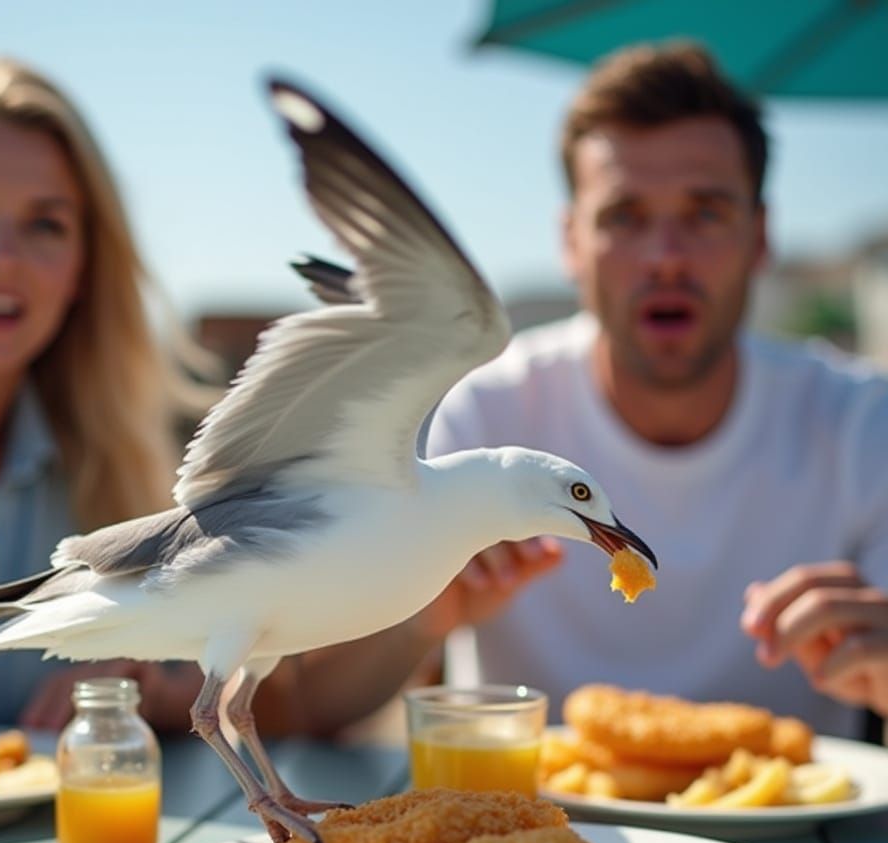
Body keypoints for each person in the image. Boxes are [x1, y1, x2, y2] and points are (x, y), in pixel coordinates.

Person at [267, 41, 888, 741]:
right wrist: (421, 614)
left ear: (762, 235)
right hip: (534, 831)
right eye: (624, 216)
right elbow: (307, 708)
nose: (666, 258)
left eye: (706, 212)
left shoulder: (864, 424)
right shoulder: (487, 415)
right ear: (571, 243)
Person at [0, 54, 206, 727]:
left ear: (82, 268)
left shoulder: (119, 473)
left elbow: (282, 698)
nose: (2, 257)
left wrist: (145, 687)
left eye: (45, 223)